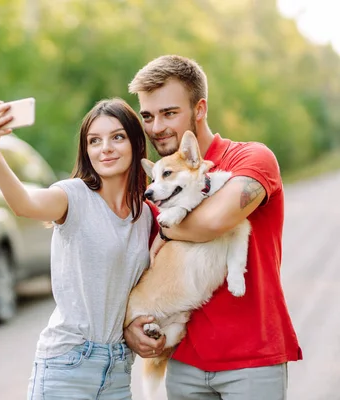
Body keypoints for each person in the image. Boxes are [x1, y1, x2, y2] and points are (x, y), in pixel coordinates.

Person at [124, 54, 302, 399]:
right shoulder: (158, 187)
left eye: (169, 113)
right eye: (148, 115)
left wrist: (164, 229)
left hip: (252, 361)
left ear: (199, 109)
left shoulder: (250, 159)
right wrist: (132, 326)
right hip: (184, 359)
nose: (156, 126)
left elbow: (216, 222)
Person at [0, 98, 158, 399]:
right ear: (86, 151)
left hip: (118, 368)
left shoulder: (146, 214)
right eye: (94, 141)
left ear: (136, 143)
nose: (106, 148)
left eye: (117, 137)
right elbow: (24, 204)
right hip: (68, 363)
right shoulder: (72, 196)